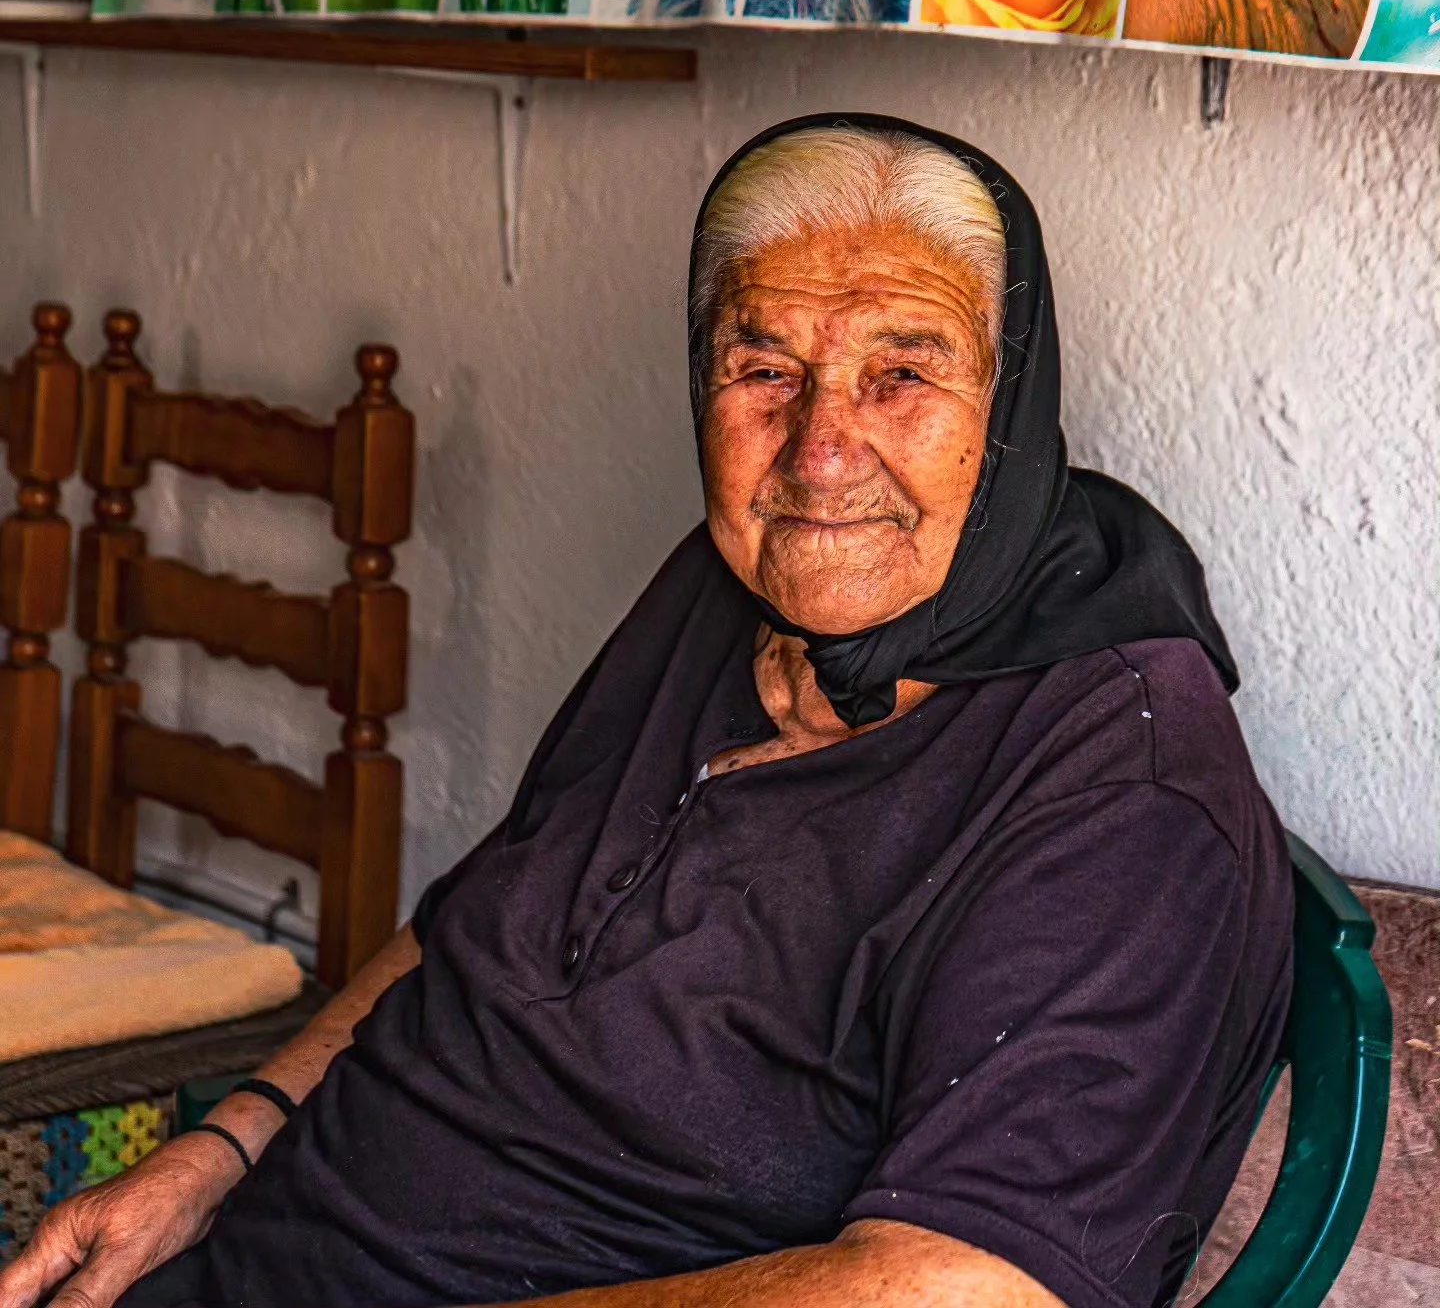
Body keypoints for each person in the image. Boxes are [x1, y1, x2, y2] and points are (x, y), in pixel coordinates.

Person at [2, 116, 1293, 1308]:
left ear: (1008, 408)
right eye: (764, 370)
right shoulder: (739, 587)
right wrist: (224, 1150)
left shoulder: (1121, 789)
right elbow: (487, 921)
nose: (819, 452)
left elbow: (960, 1291)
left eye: (901, 373)